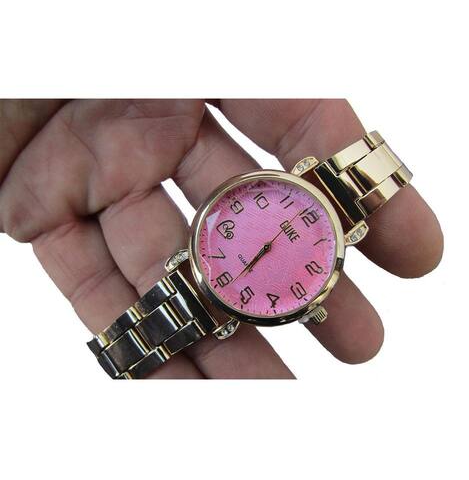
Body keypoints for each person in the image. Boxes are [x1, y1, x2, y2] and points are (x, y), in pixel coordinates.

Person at [0, 99, 443, 378]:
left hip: (216, 291)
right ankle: (119, 354)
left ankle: (122, 358)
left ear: (354, 233)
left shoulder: (314, 240)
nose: (269, 247)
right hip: (206, 275)